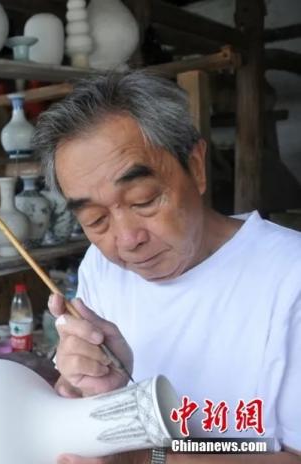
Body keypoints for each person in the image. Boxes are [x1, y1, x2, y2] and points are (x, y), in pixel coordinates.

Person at [32, 71, 301, 464]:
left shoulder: (289, 278)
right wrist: (91, 394)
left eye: (143, 200)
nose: (127, 239)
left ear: (196, 167)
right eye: (95, 220)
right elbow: (81, 417)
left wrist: (147, 457)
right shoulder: (102, 269)